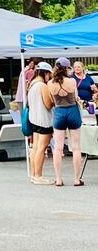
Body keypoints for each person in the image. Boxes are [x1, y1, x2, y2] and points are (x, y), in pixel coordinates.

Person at [48, 57, 83, 187]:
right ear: (67, 68)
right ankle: (76, 179)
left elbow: (52, 99)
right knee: (76, 147)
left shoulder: (50, 83)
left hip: (59, 112)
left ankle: (58, 179)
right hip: (72, 111)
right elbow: (76, 97)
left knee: (57, 148)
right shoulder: (72, 81)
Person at [27, 62, 54, 185]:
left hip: (34, 119)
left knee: (35, 148)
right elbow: (48, 104)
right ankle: (39, 176)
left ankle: (33, 175)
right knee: (41, 149)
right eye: (49, 74)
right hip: (44, 120)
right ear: (45, 72)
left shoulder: (32, 85)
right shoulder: (42, 86)